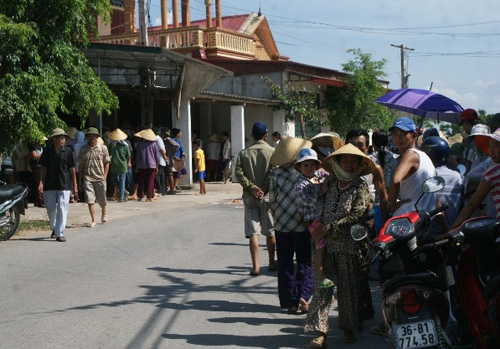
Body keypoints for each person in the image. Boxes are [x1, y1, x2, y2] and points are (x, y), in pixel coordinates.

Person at [305, 144, 373, 346]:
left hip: (348, 246)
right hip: (324, 245)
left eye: (354, 161)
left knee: (347, 289)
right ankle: (321, 332)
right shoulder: (330, 181)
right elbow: (313, 200)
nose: (350, 165)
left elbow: (357, 214)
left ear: (360, 163)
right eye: (345, 160)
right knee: (322, 288)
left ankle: (349, 329)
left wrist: (329, 228)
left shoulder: (360, 185)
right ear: (338, 162)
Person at [269, 138, 314, 315]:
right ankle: (303, 295)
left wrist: (278, 214)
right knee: (304, 261)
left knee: (285, 263)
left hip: (282, 224)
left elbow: (272, 200)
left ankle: (290, 302)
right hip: (303, 224)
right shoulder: (306, 171)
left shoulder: (275, 173)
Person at [234, 122, 276, 277]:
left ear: (252, 135)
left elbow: (238, 173)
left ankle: (256, 266)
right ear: (266, 135)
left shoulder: (244, 153)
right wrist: (263, 189)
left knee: (253, 232)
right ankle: (272, 262)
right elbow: (273, 173)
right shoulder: (272, 152)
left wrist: (252, 187)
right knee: (270, 231)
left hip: (250, 196)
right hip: (266, 196)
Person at [293, 148, 331, 293]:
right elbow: (308, 201)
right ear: (299, 167)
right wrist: (321, 192)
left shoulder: (315, 179)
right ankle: (320, 277)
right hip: (312, 222)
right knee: (319, 248)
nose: (309, 168)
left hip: (319, 220)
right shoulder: (300, 184)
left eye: (312, 165)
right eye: (305, 165)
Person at [451, 128, 500, 228]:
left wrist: (452, 229)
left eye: (496, 146)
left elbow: (472, 204)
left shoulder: (493, 172)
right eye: (490, 146)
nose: (492, 150)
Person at [388, 117, 437, 216]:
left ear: (414, 135)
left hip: (409, 216)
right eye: (395, 134)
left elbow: (395, 180)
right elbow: (436, 198)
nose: (398, 138)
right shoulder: (424, 156)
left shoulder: (410, 154)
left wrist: (392, 205)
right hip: (426, 217)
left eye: (404, 134)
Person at [38, 128, 77, 242]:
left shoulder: (68, 152)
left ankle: (59, 233)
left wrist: (74, 185)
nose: (63, 140)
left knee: (62, 207)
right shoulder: (47, 151)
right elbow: (43, 168)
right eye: (61, 137)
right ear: (54, 139)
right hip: (49, 183)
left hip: (64, 183)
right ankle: (55, 228)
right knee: (50, 208)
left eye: (64, 138)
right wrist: (40, 182)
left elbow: (72, 169)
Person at [420, 136, 465, 234]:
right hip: (453, 231)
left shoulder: (425, 175)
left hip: (428, 234)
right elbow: (462, 205)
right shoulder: (458, 177)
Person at [78, 127, 110, 228]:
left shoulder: (103, 148)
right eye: (90, 136)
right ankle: (93, 220)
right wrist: (79, 180)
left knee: (102, 199)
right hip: (88, 178)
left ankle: (104, 213)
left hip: (100, 178)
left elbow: (107, 163)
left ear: (97, 137)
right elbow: (81, 165)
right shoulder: (83, 150)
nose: (92, 138)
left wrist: (104, 176)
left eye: (94, 136)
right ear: (87, 137)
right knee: (90, 200)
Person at [134, 129, 160, 202]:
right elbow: (156, 156)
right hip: (151, 165)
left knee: (141, 180)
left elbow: (138, 156)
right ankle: (149, 197)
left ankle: (140, 196)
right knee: (150, 181)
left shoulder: (139, 144)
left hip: (141, 165)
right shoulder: (154, 144)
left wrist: (136, 165)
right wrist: (157, 165)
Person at [107, 128, 131, 202]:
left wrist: (128, 163)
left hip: (119, 164)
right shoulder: (113, 144)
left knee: (120, 179)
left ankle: (121, 196)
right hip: (118, 164)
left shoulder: (123, 145)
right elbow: (128, 156)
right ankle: (123, 192)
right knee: (117, 179)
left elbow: (128, 155)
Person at [460, 108, 480, 173]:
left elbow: (465, 169)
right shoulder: (489, 138)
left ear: (466, 123)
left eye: (462, 124)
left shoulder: (468, 141)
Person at [161, 127, 180, 195]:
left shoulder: (168, 139)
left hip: (168, 159)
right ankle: (168, 188)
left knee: (169, 174)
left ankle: (172, 189)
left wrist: (172, 154)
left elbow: (177, 145)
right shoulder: (164, 140)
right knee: (167, 174)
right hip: (167, 158)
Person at [153, 127, 168, 196]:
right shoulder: (158, 138)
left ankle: (159, 190)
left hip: (159, 160)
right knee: (162, 176)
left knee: (157, 176)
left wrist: (164, 156)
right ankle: (163, 190)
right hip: (160, 160)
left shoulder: (156, 138)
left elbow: (162, 149)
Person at [29, 140, 44, 207]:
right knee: (36, 184)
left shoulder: (41, 147)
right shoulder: (32, 147)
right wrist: (42, 156)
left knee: (41, 183)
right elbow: (34, 156)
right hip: (35, 168)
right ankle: (37, 200)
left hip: (41, 167)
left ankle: (40, 200)